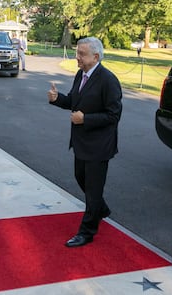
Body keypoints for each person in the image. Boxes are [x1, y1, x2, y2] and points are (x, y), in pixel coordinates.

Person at [47, 37, 122, 247]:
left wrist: (85, 119)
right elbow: (73, 101)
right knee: (81, 178)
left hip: (99, 145)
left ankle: (87, 231)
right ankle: (101, 209)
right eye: (77, 52)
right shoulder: (81, 74)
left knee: (93, 189)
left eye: (81, 54)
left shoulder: (108, 80)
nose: (77, 57)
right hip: (81, 142)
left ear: (95, 57)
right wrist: (57, 99)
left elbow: (113, 115)